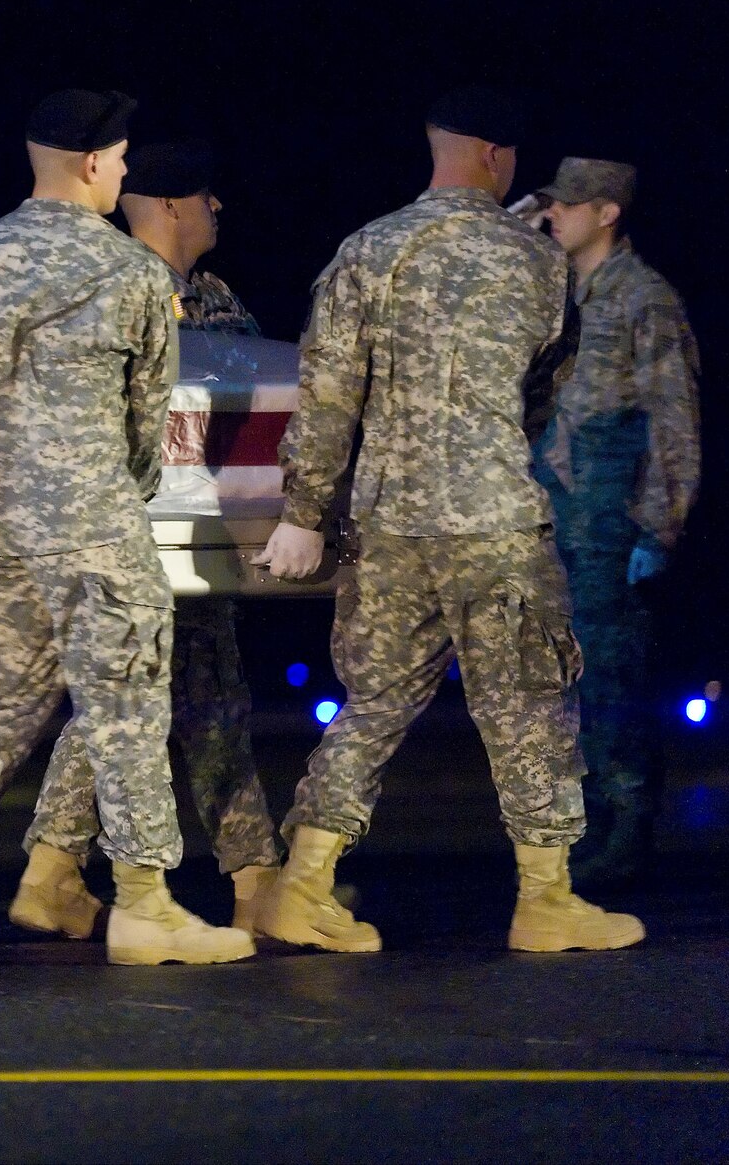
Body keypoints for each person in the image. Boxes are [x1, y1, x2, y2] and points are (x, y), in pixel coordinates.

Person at [0, 90, 255, 970]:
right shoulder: (130, 272)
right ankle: (147, 903)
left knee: (6, 707)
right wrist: (120, 490)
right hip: (94, 526)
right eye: (117, 158)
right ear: (94, 163)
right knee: (129, 707)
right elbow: (147, 423)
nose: (120, 171)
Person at [253, 87, 644, 953]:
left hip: (387, 521)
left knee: (373, 702)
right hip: (489, 516)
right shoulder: (537, 262)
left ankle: (302, 884)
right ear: (498, 157)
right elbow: (544, 388)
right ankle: (546, 900)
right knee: (530, 705)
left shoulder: (366, 249)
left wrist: (305, 509)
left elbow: (325, 398)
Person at [19, 140, 283, 938]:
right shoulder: (107, 290)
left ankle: (242, 875)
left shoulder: (210, 296)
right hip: (129, 529)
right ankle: (59, 867)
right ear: (170, 205)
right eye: (206, 198)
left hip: (198, 531)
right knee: (131, 696)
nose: (216, 211)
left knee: (201, 695)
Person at [530, 157, 700, 887]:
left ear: (607, 213)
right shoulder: (556, 295)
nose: (553, 216)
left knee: (610, 679)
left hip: (610, 515)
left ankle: (626, 828)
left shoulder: (643, 298)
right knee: (562, 679)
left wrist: (660, 528)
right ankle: (585, 824)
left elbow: (674, 419)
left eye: (568, 206)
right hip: (554, 511)